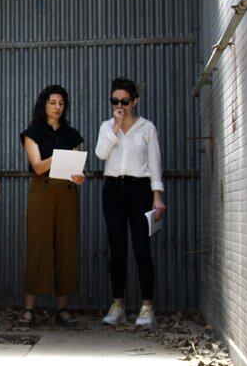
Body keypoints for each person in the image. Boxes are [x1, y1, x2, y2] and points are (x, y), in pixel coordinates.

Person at [96, 77, 166, 329]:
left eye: (125, 101)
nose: (120, 105)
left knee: (141, 248)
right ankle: (118, 305)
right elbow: (100, 154)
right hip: (113, 188)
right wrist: (115, 127)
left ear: (135, 101)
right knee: (117, 249)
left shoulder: (147, 128)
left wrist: (157, 196)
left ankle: (147, 307)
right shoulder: (106, 126)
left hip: (140, 189)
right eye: (115, 101)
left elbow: (155, 163)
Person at [19, 85, 85, 327]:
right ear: (43, 105)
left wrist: (79, 176)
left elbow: (76, 169)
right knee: (38, 245)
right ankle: (28, 309)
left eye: (61, 103)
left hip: (67, 193)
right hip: (42, 191)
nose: (57, 107)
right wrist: (59, 156)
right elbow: (37, 166)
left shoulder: (72, 134)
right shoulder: (32, 132)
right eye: (53, 103)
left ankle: (63, 309)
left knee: (66, 248)